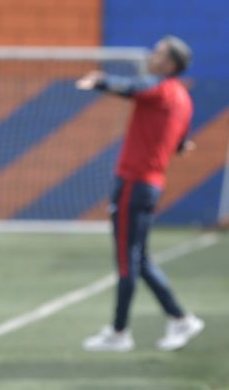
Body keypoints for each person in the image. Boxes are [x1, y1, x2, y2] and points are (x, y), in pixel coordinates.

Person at [76, 35, 204, 352]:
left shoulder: (160, 89)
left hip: (134, 183)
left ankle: (119, 333)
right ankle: (181, 319)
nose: (153, 55)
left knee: (126, 261)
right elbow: (180, 144)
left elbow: (134, 88)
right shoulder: (184, 99)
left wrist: (100, 80)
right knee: (141, 260)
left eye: (159, 52)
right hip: (151, 185)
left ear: (171, 64)